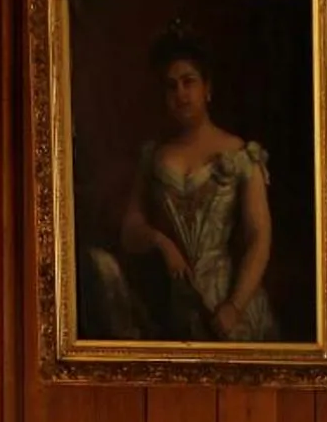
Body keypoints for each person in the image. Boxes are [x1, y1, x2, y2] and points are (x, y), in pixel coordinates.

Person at [89, 26, 276, 342]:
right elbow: (130, 229)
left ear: (207, 89)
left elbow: (260, 238)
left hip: (233, 306)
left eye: (189, 82)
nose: (180, 94)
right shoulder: (154, 157)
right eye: (171, 86)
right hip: (178, 306)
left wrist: (234, 306)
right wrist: (162, 243)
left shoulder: (241, 155)